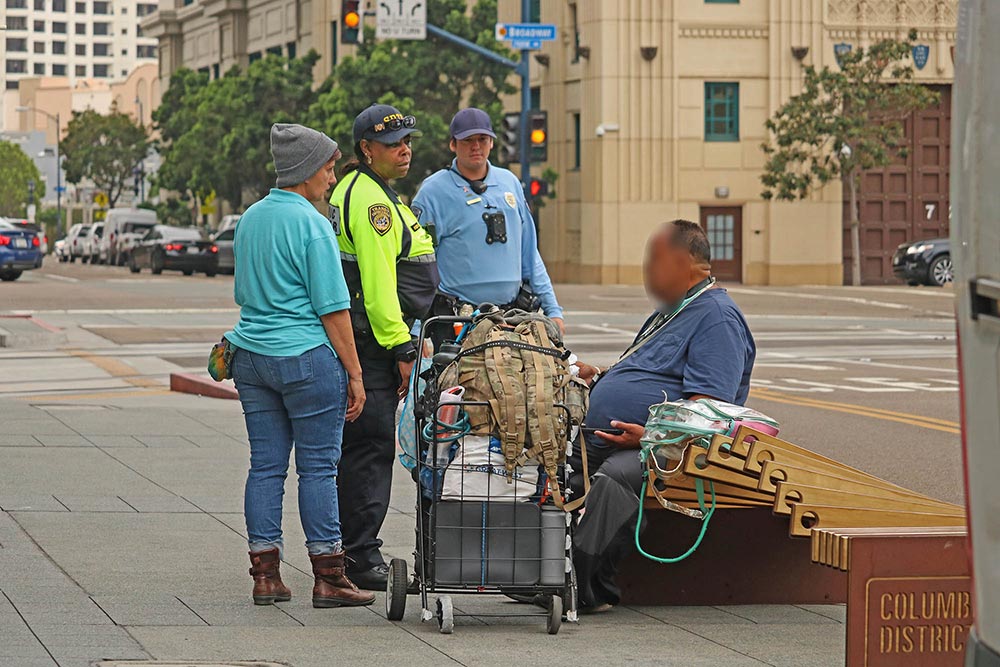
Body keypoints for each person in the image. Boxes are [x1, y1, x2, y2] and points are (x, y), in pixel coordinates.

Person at [570, 219, 756, 612]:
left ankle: (584, 586)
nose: (647, 269)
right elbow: (655, 371)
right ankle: (529, 566)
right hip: (611, 439)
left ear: (683, 261)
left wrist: (649, 437)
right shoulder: (675, 309)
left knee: (616, 479)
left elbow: (708, 414)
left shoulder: (717, 318)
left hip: (669, 452)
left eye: (654, 258)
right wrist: (600, 376)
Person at [226, 123, 374, 609]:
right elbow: (333, 308)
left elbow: (244, 292)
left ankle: (265, 576)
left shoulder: (250, 218)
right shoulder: (311, 223)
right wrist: (355, 374)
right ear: (306, 169)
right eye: (329, 167)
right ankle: (329, 578)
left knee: (265, 467)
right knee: (317, 469)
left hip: (251, 357)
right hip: (306, 359)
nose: (332, 178)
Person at [329, 104, 439, 590]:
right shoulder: (370, 201)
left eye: (408, 140)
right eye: (394, 143)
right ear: (366, 150)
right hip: (374, 344)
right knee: (370, 449)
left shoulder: (371, 190)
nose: (405, 149)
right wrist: (401, 348)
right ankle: (360, 556)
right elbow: (377, 286)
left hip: (373, 339)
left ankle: (350, 550)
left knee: (360, 450)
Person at [411, 107, 563, 347]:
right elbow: (417, 265)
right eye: (468, 140)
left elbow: (529, 253)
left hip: (511, 318)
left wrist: (553, 309)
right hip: (457, 321)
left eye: (482, 139)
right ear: (453, 144)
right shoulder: (433, 192)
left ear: (492, 142)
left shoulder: (509, 183)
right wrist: (416, 330)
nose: (476, 146)